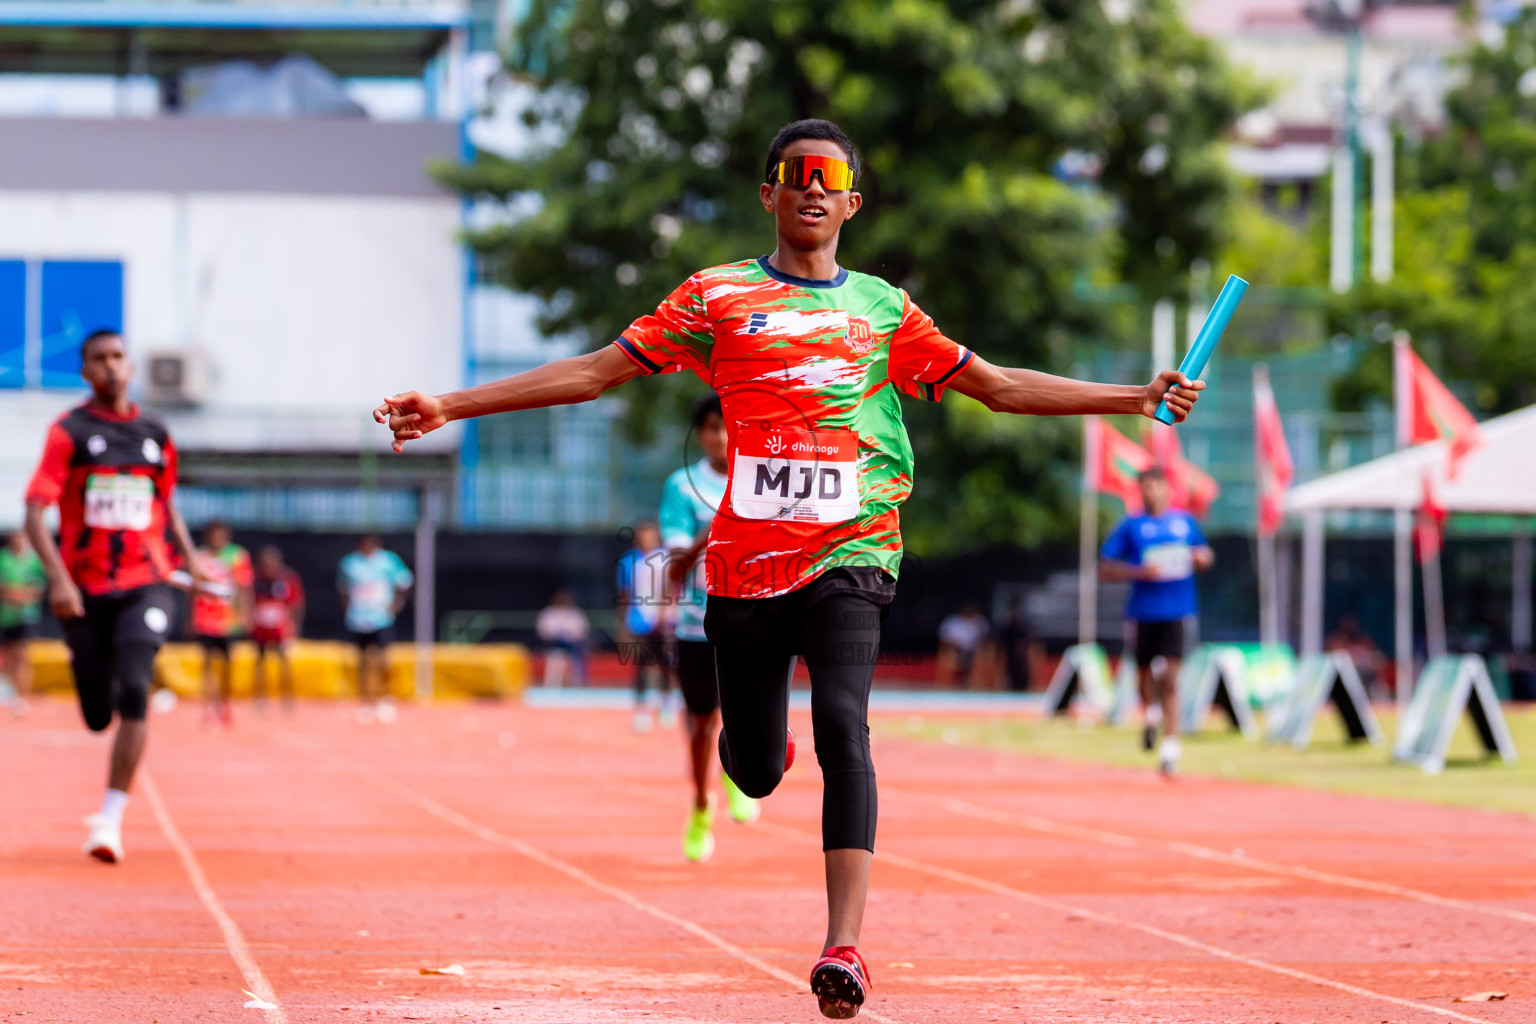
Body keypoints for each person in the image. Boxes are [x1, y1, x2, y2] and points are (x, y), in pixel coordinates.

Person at [374, 118, 1202, 1019]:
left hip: (854, 554)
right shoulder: (716, 298)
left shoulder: (884, 310)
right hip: (743, 575)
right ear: (768, 193)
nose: (811, 189)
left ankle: (845, 946)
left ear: (851, 200)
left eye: (829, 177)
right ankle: (760, 753)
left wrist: (1136, 398)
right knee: (756, 772)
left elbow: (999, 386)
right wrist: (450, 405)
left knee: (848, 728)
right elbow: (591, 374)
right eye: (793, 175)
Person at [24, 328, 204, 863]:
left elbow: (166, 504)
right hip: (84, 589)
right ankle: (96, 686)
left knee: (134, 690)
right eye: (99, 359)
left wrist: (191, 563)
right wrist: (57, 577)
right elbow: (35, 511)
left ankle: (109, 818)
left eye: (118, 357)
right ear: (84, 370)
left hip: (146, 581)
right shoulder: (69, 431)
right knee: (98, 714)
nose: (110, 366)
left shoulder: (155, 431)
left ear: (130, 366)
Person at [659, 392, 759, 862]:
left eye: (729, 427)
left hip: (753, 617)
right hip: (695, 624)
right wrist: (721, 521)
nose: (721, 437)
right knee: (701, 723)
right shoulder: (682, 487)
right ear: (700, 434)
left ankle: (739, 774)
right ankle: (701, 804)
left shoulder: (761, 478)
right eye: (712, 428)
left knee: (747, 713)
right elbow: (676, 566)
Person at [1099, 467, 1215, 777]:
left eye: (1157, 487)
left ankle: (1170, 749)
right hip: (1142, 612)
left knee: (1172, 678)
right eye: (1146, 488)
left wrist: (1201, 559)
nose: (1153, 493)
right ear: (1140, 491)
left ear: (1167, 489)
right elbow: (1105, 567)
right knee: (1143, 675)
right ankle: (1150, 713)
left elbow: (1205, 554)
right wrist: (1140, 572)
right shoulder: (1131, 526)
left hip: (1178, 611)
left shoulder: (1183, 522)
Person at [338, 534, 412, 724]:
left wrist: (396, 605)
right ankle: (365, 703)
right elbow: (343, 589)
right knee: (362, 663)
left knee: (383, 661)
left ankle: (385, 699)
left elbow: (405, 582)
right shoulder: (349, 563)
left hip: (381, 619)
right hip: (358, 620)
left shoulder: (388, 560)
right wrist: (347, 611)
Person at [190, 521, 253, 727]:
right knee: (207, 664)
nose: (217, 538)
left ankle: (224, 705)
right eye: (213, 535)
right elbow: (193, 589)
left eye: (221, 535)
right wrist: (190, 618)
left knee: (227, 666)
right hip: (205, 619)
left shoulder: (237, 555)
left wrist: (245, 613)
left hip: (228, 620)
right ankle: (208, 707)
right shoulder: (199, 556)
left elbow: (243, 587)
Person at [616, 520, 675, 732]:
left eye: (651, 536)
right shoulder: (628, 561)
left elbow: (672, 590)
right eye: (644, 536)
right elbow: (624, 594)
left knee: (666, 664)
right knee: (640, 666)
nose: (647, 540)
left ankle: (666, 705)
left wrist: (664, 614)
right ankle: (641, 709)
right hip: (638, 620)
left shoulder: (665, 559)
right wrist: (623, 624)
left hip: (663, 621)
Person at [251, 545, 305, 713]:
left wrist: (294, 628)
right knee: (260, 664)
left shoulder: (288, 578)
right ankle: (260, 698)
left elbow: (296, 604)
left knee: (284, 664)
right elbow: (249, 600)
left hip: (281, 629)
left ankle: (287, 698)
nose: (268, 568)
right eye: (265, 564)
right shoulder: (255, 578)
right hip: (261, 629)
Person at [0, 530, 46, 715]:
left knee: (21, 655)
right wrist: (14, 595)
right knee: (8, 655)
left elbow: (39, 586)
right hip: (6, 615)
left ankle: (21, 695)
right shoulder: (4, 559)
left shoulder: (33, 561)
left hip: (26, 615)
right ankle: (10, 692)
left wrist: (24, 596)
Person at [535, 589, 590, 687]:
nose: (562, 600)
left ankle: (577, 685)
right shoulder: (548, 613)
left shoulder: (576, 614)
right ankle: (552, 685)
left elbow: (582, 632)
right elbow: (543, 633)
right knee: (556, 657)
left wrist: (569, 636)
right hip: (555, 645)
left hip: (573, 646)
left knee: (579, 656)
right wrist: (557, 636)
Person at [937, 602, 990, 687]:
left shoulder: (980, 622)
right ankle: (950, 684)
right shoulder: (952, 621)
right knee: (953, 655)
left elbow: (984, 639)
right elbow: (944, 640)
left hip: (974, 651)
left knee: (982, 655)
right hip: (956, 651)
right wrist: (956, 646)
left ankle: (974, 684)